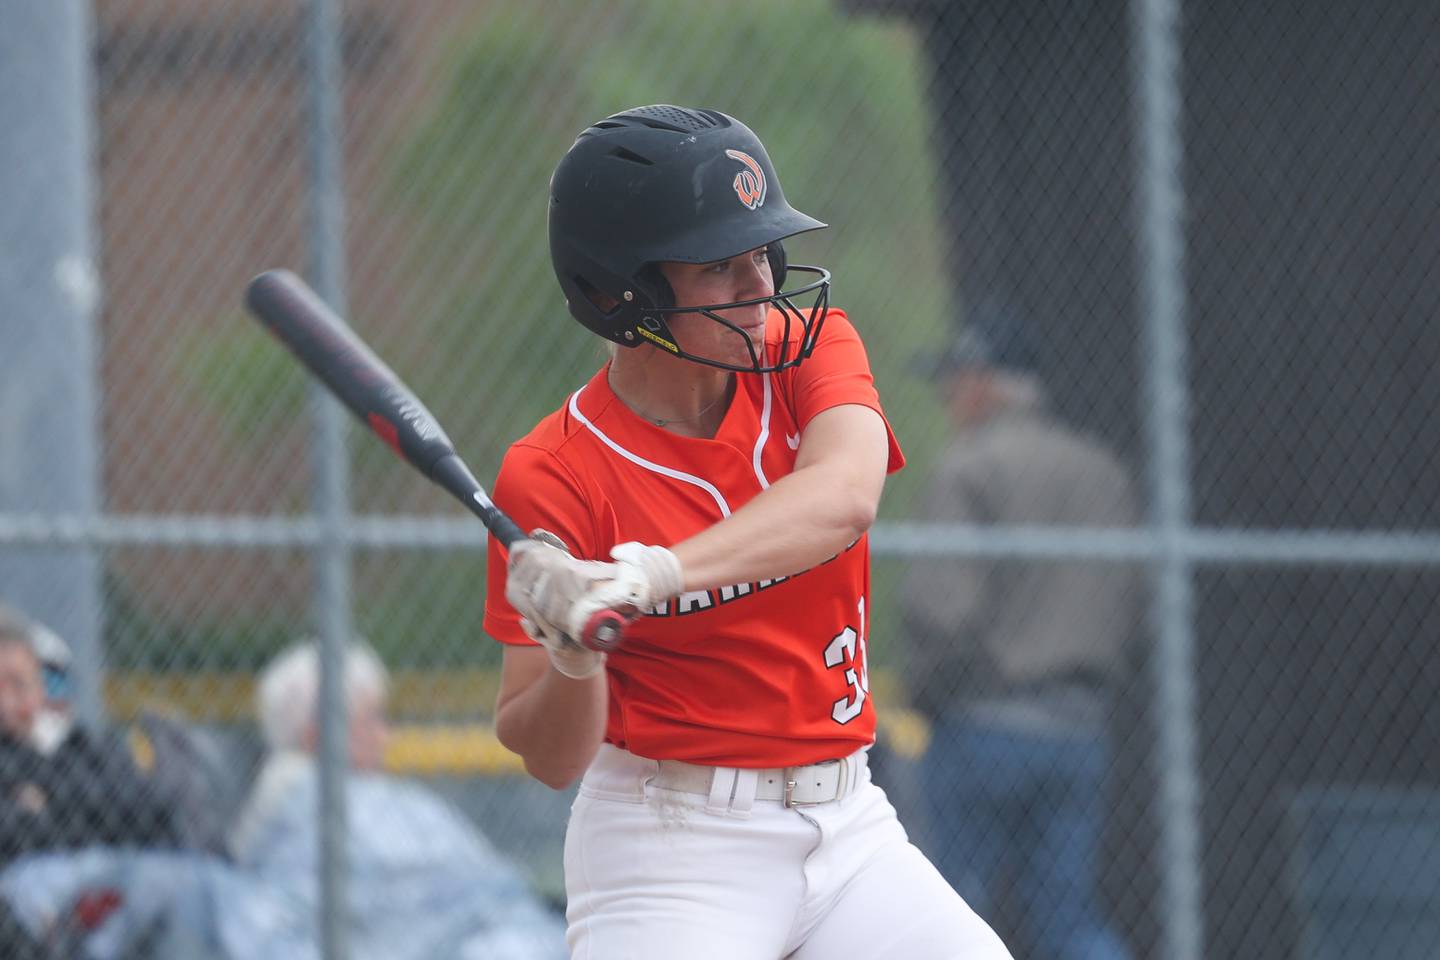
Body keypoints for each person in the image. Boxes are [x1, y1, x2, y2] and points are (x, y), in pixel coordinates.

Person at [485, 104, 1012, 959]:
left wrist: (646, 576)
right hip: (671, 845)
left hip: (849, 827)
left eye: (763, 254)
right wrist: (573, 656)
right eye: (720, 267)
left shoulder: (811, 349)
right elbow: (548, 756)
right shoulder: (555, 471)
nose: (761, 287)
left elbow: (843, 496)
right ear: (625, 296)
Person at [901, 300, 1141, 960]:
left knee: (953, 911)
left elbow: (939, 606)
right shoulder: (1101, 470)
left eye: (954, 379)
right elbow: (1127, 601)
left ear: (982, 382)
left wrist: (929, 690)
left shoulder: (971, 467)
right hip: (1079, 726)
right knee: (1070, 921)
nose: (949, 395)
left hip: (983, 724)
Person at [227, 640, 567, 960]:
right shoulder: (353, 809)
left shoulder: (268, 816)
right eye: (372, 719)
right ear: (319, 734)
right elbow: (476, 898)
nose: (385, 736)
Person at [0, 603, 176, 864]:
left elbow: (150, 813)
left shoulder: (83, 748)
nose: (5, 704)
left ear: (40, 689)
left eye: (18, 686)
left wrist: (45, 804)